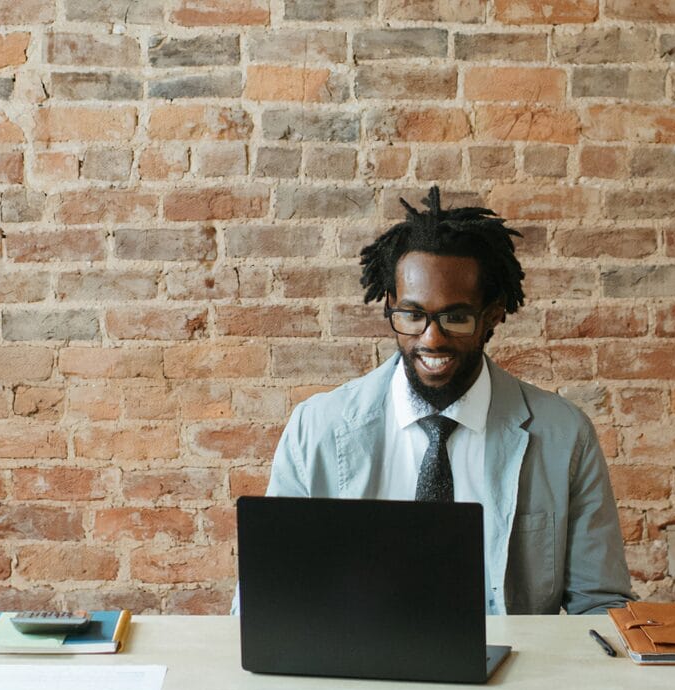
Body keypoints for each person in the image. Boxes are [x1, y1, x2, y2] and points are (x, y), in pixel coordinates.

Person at [260, 186, 633, 615]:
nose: (431, 338)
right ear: (390, 308)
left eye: (456, 317)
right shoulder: (316, 429)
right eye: (413, 315)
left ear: (492, 316)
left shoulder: (564, 436)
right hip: (357, 675)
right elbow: (268, 597)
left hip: (515, 676)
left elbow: (600, 607)